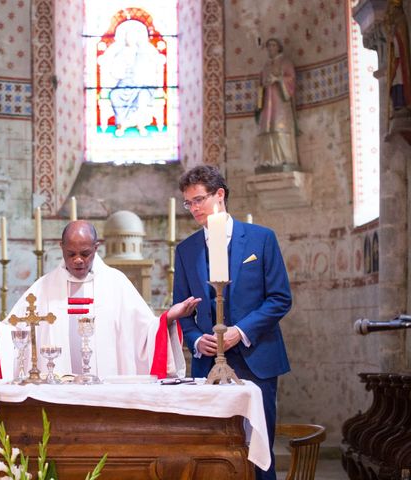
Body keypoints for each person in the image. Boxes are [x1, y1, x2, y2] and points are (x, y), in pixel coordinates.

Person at [0, 220, 199, 380]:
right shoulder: (44, 287)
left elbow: (145, 333)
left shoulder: (116, 283)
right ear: (61, 247)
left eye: (85, 254)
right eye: (70, 254)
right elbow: (15, 334)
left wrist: (169, 318)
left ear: (97, 247)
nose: (78, 261)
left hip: (106, 394)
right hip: (56, 394)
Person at [173, 166, 291, 480]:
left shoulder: (261, 239)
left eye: (199, 199)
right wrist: (197, 340)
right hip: (207, 365)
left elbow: (280, 298)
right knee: (211, 452)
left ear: (220, 195)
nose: (194, 208)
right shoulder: (185, 250)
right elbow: (183, 310)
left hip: (257, 361)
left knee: (259, 451)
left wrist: (241, 332)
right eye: (189, 203)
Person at [99, 20, 165, 137]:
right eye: (129, 36)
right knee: (115, 96)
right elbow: (115, 71)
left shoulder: (144, 52)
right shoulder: (119, 53)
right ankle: (121, 124)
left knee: (143, 97)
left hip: (142, 84)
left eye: (134, 36)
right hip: (123, 85)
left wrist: (141, 77)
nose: (131, 38)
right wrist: (122, 69)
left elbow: (150, 70)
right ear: (125, 37)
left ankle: (139, 124)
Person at [255, 38, 299, 171]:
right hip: (268, 102)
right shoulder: (266, 66)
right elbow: (260, 83)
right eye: (268, 46)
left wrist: (278, 79)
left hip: (280, 102)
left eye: (273, 45)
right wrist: (262, 86)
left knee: (279, 128)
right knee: (267, 130)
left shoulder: (285, 62)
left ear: (279, 47)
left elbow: (291, 79)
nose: (270, 48)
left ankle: (284, 159)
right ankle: (269, 160)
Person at [386, 0, 411, 116]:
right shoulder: (394, 26)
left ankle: (403, 103)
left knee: (400, 79)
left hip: (400, 60)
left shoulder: (401, 22)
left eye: (392, 11)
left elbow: (403, 43)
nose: (390, 14)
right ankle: (397, 104)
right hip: (395, 60)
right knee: (395, 80)